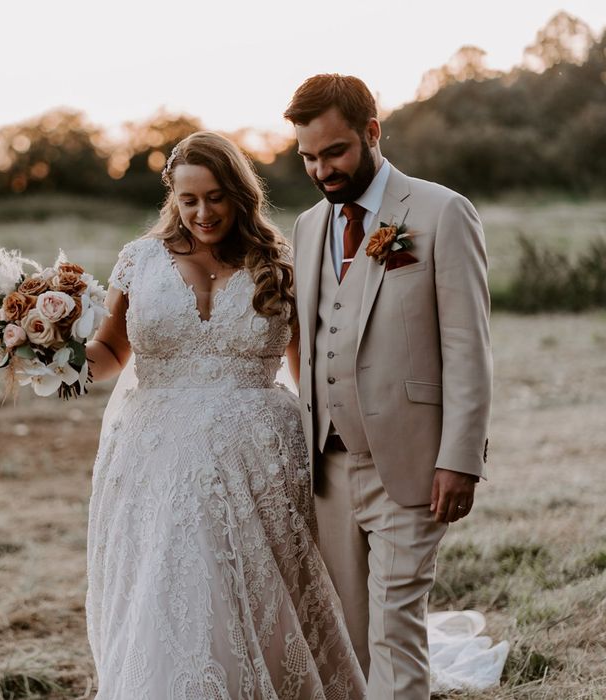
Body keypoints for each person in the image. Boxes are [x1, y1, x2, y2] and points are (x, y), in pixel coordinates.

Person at [83, 131, 366, 699]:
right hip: (156, 455)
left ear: (239, 192)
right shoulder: (139, 260)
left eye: (214, 197)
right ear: (172, 199)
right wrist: (55, 353)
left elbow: (306, 368)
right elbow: (112, 353)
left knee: (256, 593)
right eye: (188, 200)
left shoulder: (277, 262)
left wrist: (349, 438)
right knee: (172, 587)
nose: (202, 213)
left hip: (259, 457)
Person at [284, 74, 492, 699]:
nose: (322, 170)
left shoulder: (440, 212)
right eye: (308, 158)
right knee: (349, 636)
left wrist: (461, 459)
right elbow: (315, 335)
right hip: (329, 468)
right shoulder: (307, 227)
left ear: (371, 132)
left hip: (412, 463)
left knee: (395, 631)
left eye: (335, 152)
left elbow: (468, 346)